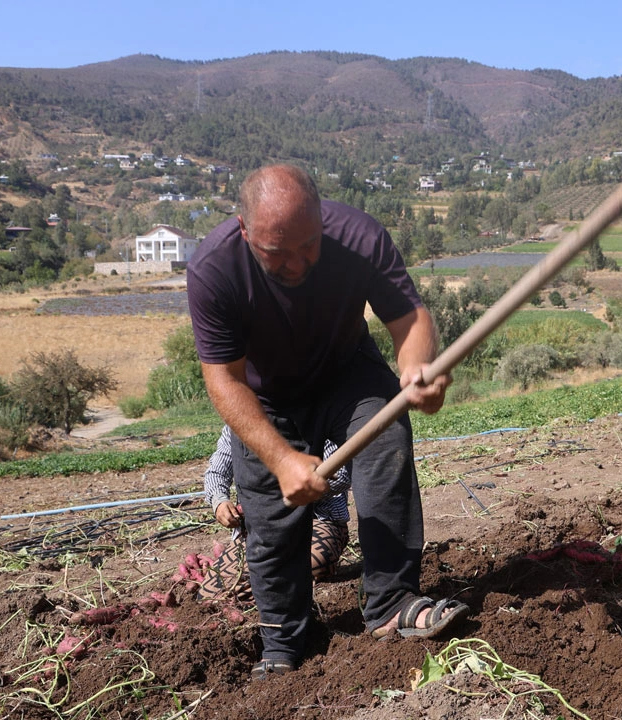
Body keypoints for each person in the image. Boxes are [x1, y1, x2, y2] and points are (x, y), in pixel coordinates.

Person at [186, 164, 467, 680]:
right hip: (266, 393)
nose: (296, 263)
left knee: (386, 439)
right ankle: (286, 637)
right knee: (270, 513)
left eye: (309, 245)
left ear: (322, 218)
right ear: (245, 231)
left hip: (345, 367)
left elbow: (409, 318)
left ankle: (389, 604)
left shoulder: (359, 237)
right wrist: (282, 458)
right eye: (276, 252)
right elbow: (224, 381)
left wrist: (414, 370)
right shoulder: (214, 270)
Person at [197, 425, 349, 602]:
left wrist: (287, 493)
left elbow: (342, 474)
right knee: (209, 595)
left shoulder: (312, 416)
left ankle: (272, 592)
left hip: (316, 523)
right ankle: (260, 590)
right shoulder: (237, 424)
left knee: (314, 561)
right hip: (259, 533)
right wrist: (219, 501)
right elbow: (216, 472)